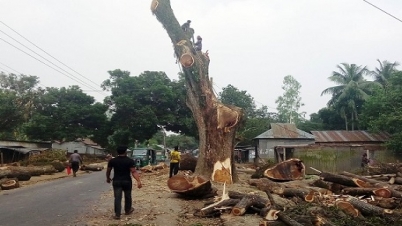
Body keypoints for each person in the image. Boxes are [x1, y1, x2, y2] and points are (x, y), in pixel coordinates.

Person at [106, 146, 142, 220]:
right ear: (125, 152)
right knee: (128, 196)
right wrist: (138, 181)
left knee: (117, 198)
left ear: (117, 152)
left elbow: (108, 170)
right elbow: (133, 171)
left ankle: (117, 215)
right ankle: (128, 210)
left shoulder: (112, 161)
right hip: (127, 181)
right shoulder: (130, 161)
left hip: (116, 181)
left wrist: (108, 178)